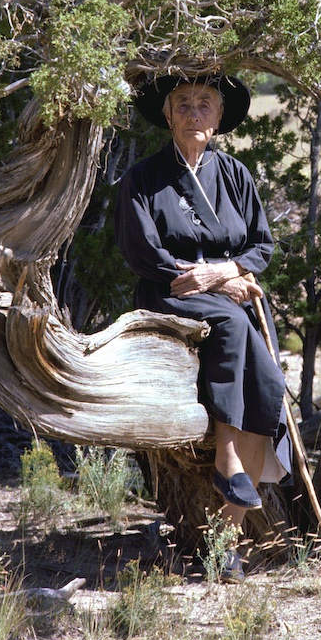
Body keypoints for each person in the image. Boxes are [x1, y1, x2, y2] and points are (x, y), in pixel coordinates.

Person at [114, 73, 291, 580]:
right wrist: (209, 282)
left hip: (233, 293)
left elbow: (261, 245)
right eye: (185, 104)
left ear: (218, 117)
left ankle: (224, 546)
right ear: (168, 115)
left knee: (269, 384)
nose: (195, 114)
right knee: (234, 327)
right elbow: (142, 250)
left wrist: (228, 272)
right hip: (171, 294)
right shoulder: (144, 178)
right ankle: (227, 462)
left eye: (205, 105)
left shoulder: (235, 174)